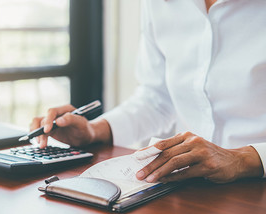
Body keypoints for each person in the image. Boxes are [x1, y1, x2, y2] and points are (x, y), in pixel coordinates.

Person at [30, 0, 266, 184]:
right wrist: (94, 130)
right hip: (190, 189)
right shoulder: (159, 4)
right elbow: (156, 99)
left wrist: (243, 159)